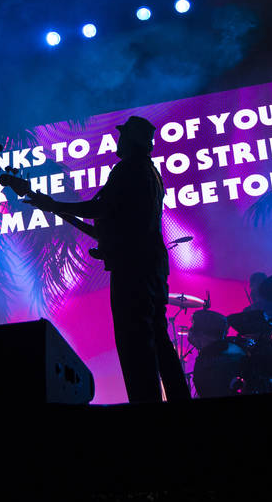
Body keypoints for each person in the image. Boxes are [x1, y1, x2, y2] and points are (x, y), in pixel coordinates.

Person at [27, 116, 190, 402]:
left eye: (122, 136)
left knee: (135, 341)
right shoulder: (149, 172)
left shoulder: (128, 169)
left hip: (133, 269)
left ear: (130, 141)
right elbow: (117, 222)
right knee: (158, 339)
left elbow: (100, 209)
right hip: (150, 266)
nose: (118, 141)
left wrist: (53, 205)